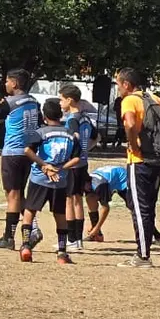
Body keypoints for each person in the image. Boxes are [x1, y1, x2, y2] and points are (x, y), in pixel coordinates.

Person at [114, 68, 160, 268]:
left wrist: (133, 143)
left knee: (140, 208)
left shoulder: (129, 100)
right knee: (148, 206)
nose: (117, 88)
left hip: (140, 160)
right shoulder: (154, 98)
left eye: (118, 84)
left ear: (126, 84)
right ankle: (144, 250)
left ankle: (142, 255)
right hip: (156, 159)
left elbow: (130, 125)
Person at [19, 99, 80, 264]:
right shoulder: (70, 134)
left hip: (39, 178)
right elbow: (76, 158)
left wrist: (45, 165)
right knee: (60, 215)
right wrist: (61, 168)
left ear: (44, 116)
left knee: (30, 211)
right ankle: (61, 253)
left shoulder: (40, 132)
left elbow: (27, 150)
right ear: (61, 115)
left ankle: (25, 246)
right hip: (60, 181)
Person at [0, 69, 42, 250]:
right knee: (19, 194)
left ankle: (8, 237)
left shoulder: (10, 102)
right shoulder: (34, 102)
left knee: (12, 195)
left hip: (13, 152)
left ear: (15, 83)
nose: (5, 85)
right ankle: (32, 228)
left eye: (7, 81)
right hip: (28, 152)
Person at [59, 84, 99, 251]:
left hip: (73, 165)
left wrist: (71, 155)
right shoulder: (85, 118)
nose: (60, 103)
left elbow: (74, 137)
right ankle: (78, 240)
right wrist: (85, 151)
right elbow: (96, 136)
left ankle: (71, 238)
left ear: (69, 100)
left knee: (69, 200)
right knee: (78, 200)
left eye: (61, 99)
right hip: (83, 163)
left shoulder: (72, 119)